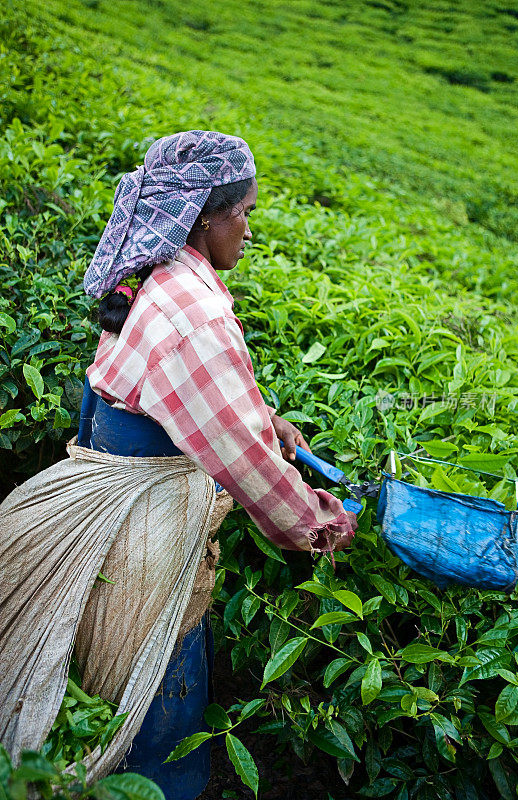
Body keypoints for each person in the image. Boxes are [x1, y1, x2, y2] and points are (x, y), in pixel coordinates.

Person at [0, 131, 357, 798]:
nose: (249, 230)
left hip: (104, 484)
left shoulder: (159, 274)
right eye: (243, 213)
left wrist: (265, 416)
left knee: (98, 663)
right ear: (202, 216)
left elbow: (168, 392)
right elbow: (246, 462)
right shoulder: (195, 313)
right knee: (158, 676)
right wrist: (320, 523)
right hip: (144, 527)